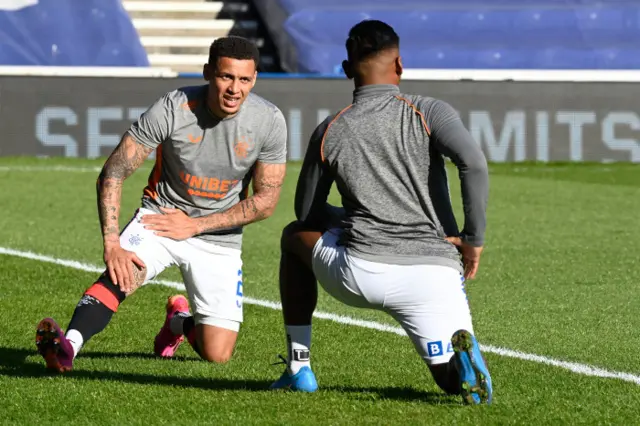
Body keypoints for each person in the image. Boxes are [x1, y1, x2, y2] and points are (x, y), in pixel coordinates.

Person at [269, 20, 493, 405]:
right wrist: (473, 240)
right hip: (434, 272)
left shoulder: (330, 129)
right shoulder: (428, 111)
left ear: (345, 69)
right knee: (448, 383)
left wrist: (347, 216)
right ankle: (462, 366)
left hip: (361, 273)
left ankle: (298, 368)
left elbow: (305, 211)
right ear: (400, 65)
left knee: (292, 236)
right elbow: (474, 163)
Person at [35, 36, 288, 371]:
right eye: (226, 77)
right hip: (160, 216)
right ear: (208, 72)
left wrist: (196, 225)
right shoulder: (174, 107)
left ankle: (177, 323)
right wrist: (112, 243)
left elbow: (266, 201)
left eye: (244, 79)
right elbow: (113, 172)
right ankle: (69, 347)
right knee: (123, 274)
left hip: (217, 235)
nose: (234, 89)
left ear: (254, 79)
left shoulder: (269, 120)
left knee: (217, 353)